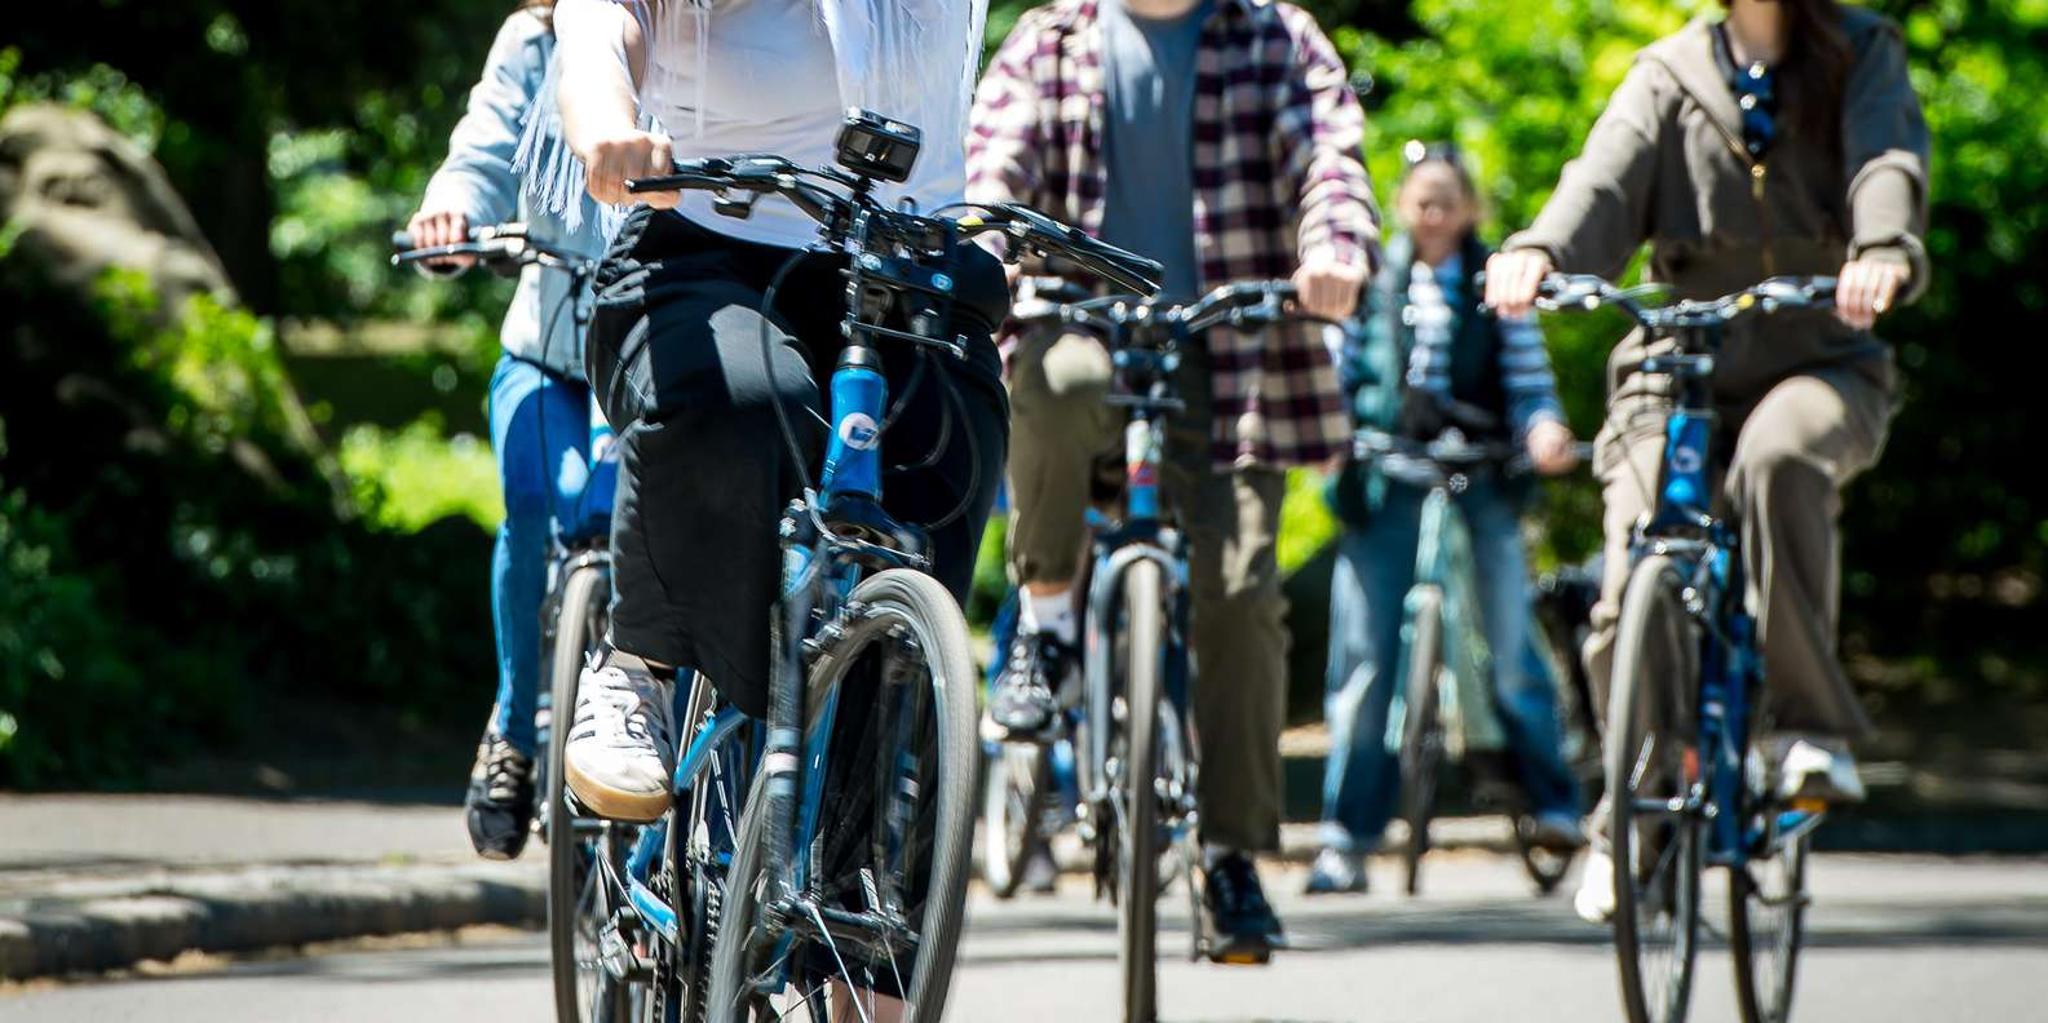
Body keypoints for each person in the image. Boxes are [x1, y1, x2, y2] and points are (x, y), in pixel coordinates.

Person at [1484, 0, 1928, 923]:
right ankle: (1633, 814)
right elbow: (1600, 184)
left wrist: (1882, 248)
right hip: (1678, 362)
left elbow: (1886, 161)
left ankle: (1808, 730)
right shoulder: (1669, 74)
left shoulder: (1861, 52)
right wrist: (1538, 250)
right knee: (1633, 568)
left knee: (1777, 460)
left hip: (1820, 358)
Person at [968, 0, 1379, 962]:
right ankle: (1049, 625)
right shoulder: (1054, 37)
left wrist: (1333, 247)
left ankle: (1230, 856)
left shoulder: (1275, 35)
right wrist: (984, 245)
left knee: (1241, 592)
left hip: (1230, 353)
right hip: (1082, 320)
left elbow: (1329, 157)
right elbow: (996, 164)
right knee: (1059, 382)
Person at [534, 0, 1002, 835]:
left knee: (952, 449)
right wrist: (607, 124)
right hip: (714, 243)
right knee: (748, 403)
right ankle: (642, 664)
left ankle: (871, 861)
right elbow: (603, 18)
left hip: (909, 261)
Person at [1309, 143, 1584, 896]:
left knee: (1511, 645)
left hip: (1483, 469)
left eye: (1448, 202)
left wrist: (1543, 430)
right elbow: (1336, 374)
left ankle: (1555, 803)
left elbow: (1530, 383)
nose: (1434, 215)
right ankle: (1346, 837)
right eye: (1423, 201)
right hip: (1386, 470)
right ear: (1402, 205)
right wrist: (1327, 438)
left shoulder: (1496, 280)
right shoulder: (1370, 279)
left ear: (1470, 210)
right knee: (1364, 661)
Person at [406, 0, 609, 861]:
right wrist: (451, 209)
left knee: (632, 517)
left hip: (651, 355)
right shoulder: (536, 40)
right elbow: (483, 145)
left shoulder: (691, 34)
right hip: (546, 347)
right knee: (534, 502)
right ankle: (517, 729)